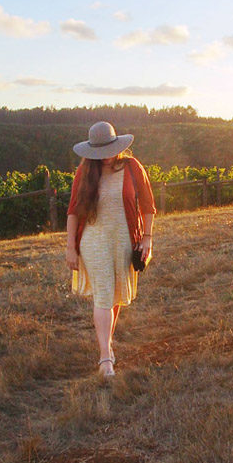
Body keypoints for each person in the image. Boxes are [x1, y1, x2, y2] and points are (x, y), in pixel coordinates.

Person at [65, 121, 156, 379]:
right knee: (104, 293)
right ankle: (105, 358)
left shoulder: (132, 167)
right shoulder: (85, 173)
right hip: (93, 239)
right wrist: (70, 246)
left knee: (114, 294)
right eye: (99, 152)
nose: (105, 157)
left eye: (109, 150)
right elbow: (73, 212)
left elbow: (148, 206)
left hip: (124, 238)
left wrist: (147, 238)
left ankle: (107, 344)